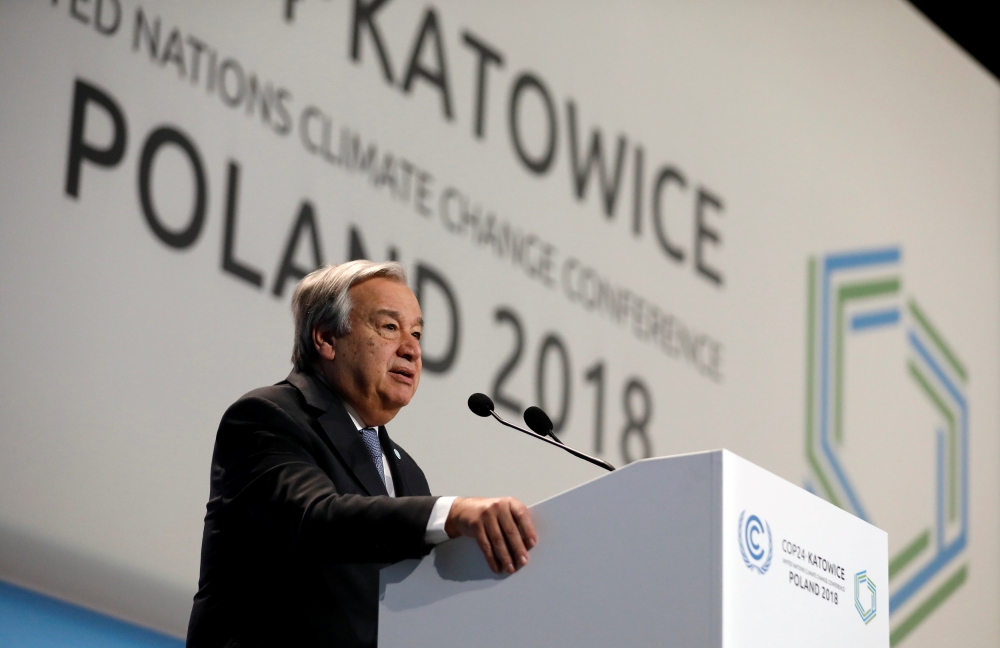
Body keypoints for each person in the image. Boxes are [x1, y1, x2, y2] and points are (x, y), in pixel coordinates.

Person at [186, 260, 537, 648]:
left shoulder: (407, 471)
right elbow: (315, 520)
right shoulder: (267, 416)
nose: (411, 349)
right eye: (389, 327)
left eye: (417, 333)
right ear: (326, 338)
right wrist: (452, 513)